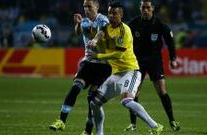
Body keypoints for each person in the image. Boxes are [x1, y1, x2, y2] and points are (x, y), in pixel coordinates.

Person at [87, 1, 163, 135]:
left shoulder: (124, 30)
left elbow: (119, 54)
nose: (111, 15)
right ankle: (99, 133)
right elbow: (100, 34)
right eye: (109, 13)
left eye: (114, 13)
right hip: (116, 74)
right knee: (94, 103)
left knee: (126, 101)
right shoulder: (105, 28)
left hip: (131, 71)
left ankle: (156, 126)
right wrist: (94, 41)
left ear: (120, 15)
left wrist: (98, 55)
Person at [49, 0, 112, 135]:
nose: (86, 9)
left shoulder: (103, 20)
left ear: (97, 7)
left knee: (92, 99)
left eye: (89, 6)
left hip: (104, 65)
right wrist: (77, 24)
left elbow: (102, 33)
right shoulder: (84, 21)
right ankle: (61, 121)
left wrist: (95, 40)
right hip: (88, 62)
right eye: (84, 6)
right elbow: (79, 32)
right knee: (75, 87)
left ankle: (88, 131)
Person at [125, 0, 180, 132]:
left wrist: (173, 59)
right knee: (134, 92)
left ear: (152, 8)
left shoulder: (159, 24)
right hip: (137, 61)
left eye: (147, 7)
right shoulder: (134, 23)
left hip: (154, 60)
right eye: (143, 7)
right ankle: (133, 124)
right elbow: (125, 39)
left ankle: (172, 120)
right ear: (140, 8)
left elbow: (170, 42)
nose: (145, 10)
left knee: (161, 90)